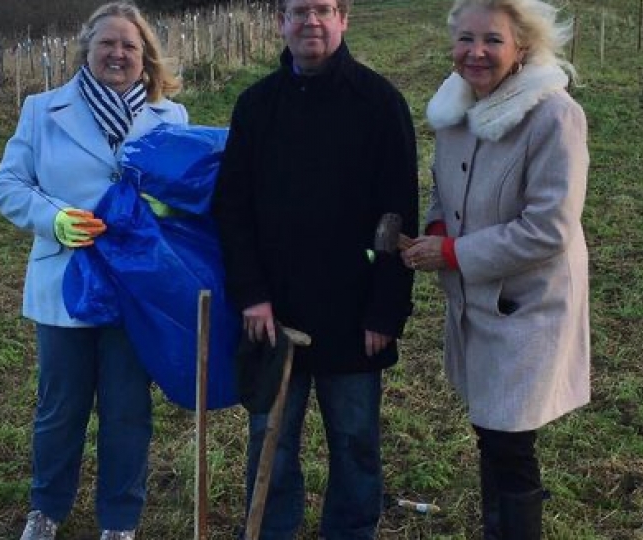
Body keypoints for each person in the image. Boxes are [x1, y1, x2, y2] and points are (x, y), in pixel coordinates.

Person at [211, 0, 419, 538]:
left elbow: (396, 216)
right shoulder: (256, 106)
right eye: (299, 10)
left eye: (324, 9)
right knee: (270, 443)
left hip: (353, 316)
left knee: (354, 442)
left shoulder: (379, 103)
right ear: (281, 22)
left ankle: (350, 532)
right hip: (272, 314)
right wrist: (251, 294)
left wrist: (385, 309)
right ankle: (271, 530)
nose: (312, 21)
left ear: (343, 19)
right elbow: (232, 209)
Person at [0, 3, 188, 539]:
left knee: (127, 410)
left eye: (129, 45)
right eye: (108, 43)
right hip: (64, 282)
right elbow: (6, 184)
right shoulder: (42, 110)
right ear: (87, 49)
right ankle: (46, 508)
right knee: (60, 407)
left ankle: (119, 520)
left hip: (135, 288)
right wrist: (52, 219)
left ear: (144, 55)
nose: (118, 53)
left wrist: (166, 210)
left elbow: (184, 193)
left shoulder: (172, 118)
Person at [401, 0, 590, 538]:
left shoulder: (554, 116)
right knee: (492, 430)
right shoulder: (454, 109)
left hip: (527, 304)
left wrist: (456, 254)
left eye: (492, 40)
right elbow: (444, 190)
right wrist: (437, 233)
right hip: (476, 301)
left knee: (509, 436)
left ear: (522, 47)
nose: (475, 52)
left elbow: (549, 228)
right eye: (465, 38)